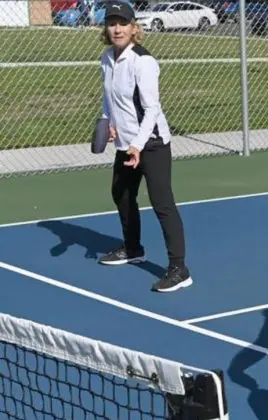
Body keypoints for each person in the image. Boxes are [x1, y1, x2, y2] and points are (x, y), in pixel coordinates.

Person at [97, 1, 193, 293]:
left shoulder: (143, 62)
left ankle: (179, 269)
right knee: (121, 194)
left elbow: (151, 109)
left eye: (122, 23)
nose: (117, 28)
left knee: (162, 203)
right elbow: (109, 98)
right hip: (126, 143)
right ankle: (133, 248)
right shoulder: (107, 58)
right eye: (112, 22)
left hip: (151, 144)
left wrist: (137, 145)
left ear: (134, 28)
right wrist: (107, 121)